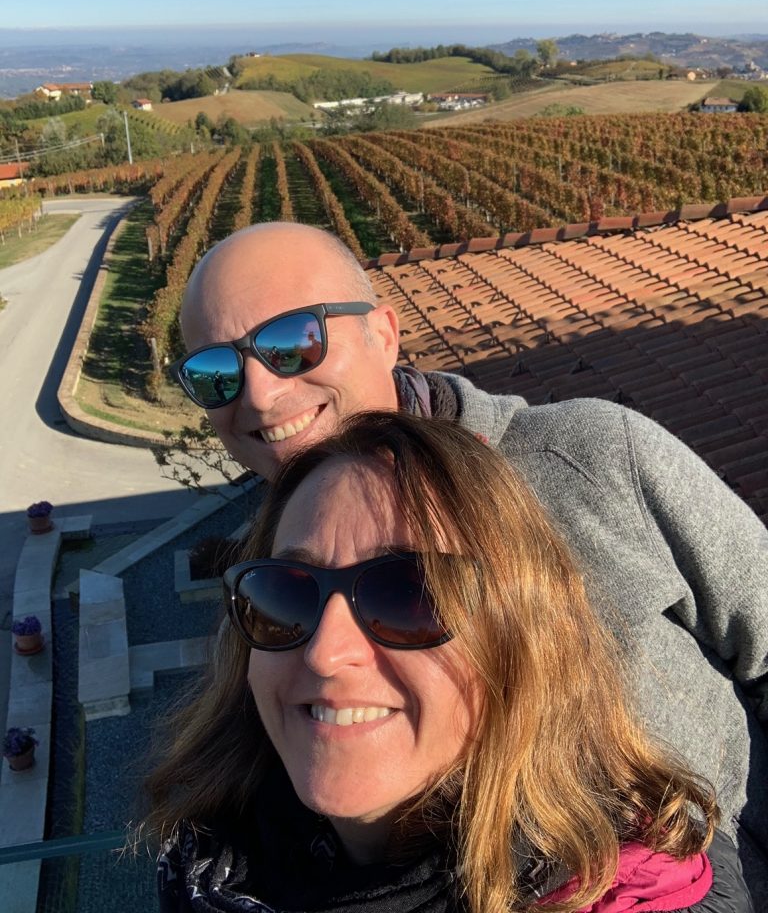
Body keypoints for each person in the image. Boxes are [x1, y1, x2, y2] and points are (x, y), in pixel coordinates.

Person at [174, 222, 768, 904]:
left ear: (384, 333)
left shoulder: (596, 458)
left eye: (290, 343)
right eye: (215, 373)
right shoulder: (269, 595)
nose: (256, 395)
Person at [147, 413, 752, 912]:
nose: (326, 653)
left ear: (523, 640)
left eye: (411, 595)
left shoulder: (642, 893)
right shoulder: (209, 863)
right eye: (284, 593)